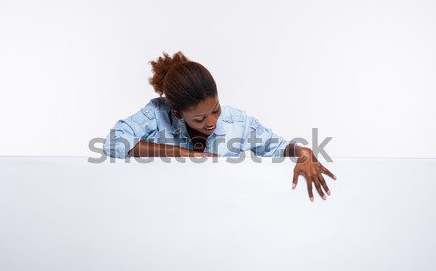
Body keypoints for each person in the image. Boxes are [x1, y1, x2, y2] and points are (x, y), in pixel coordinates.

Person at [103, 51, 336, 201]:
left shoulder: (238, 122)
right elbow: (113, 143)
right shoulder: (156, 113)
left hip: (220, 219)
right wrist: (184, 154)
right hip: (165, 213)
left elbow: (276, 147)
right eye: (199, 119)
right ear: (177, 113)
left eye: (215, 110)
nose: (212, 122)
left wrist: (303, 153)